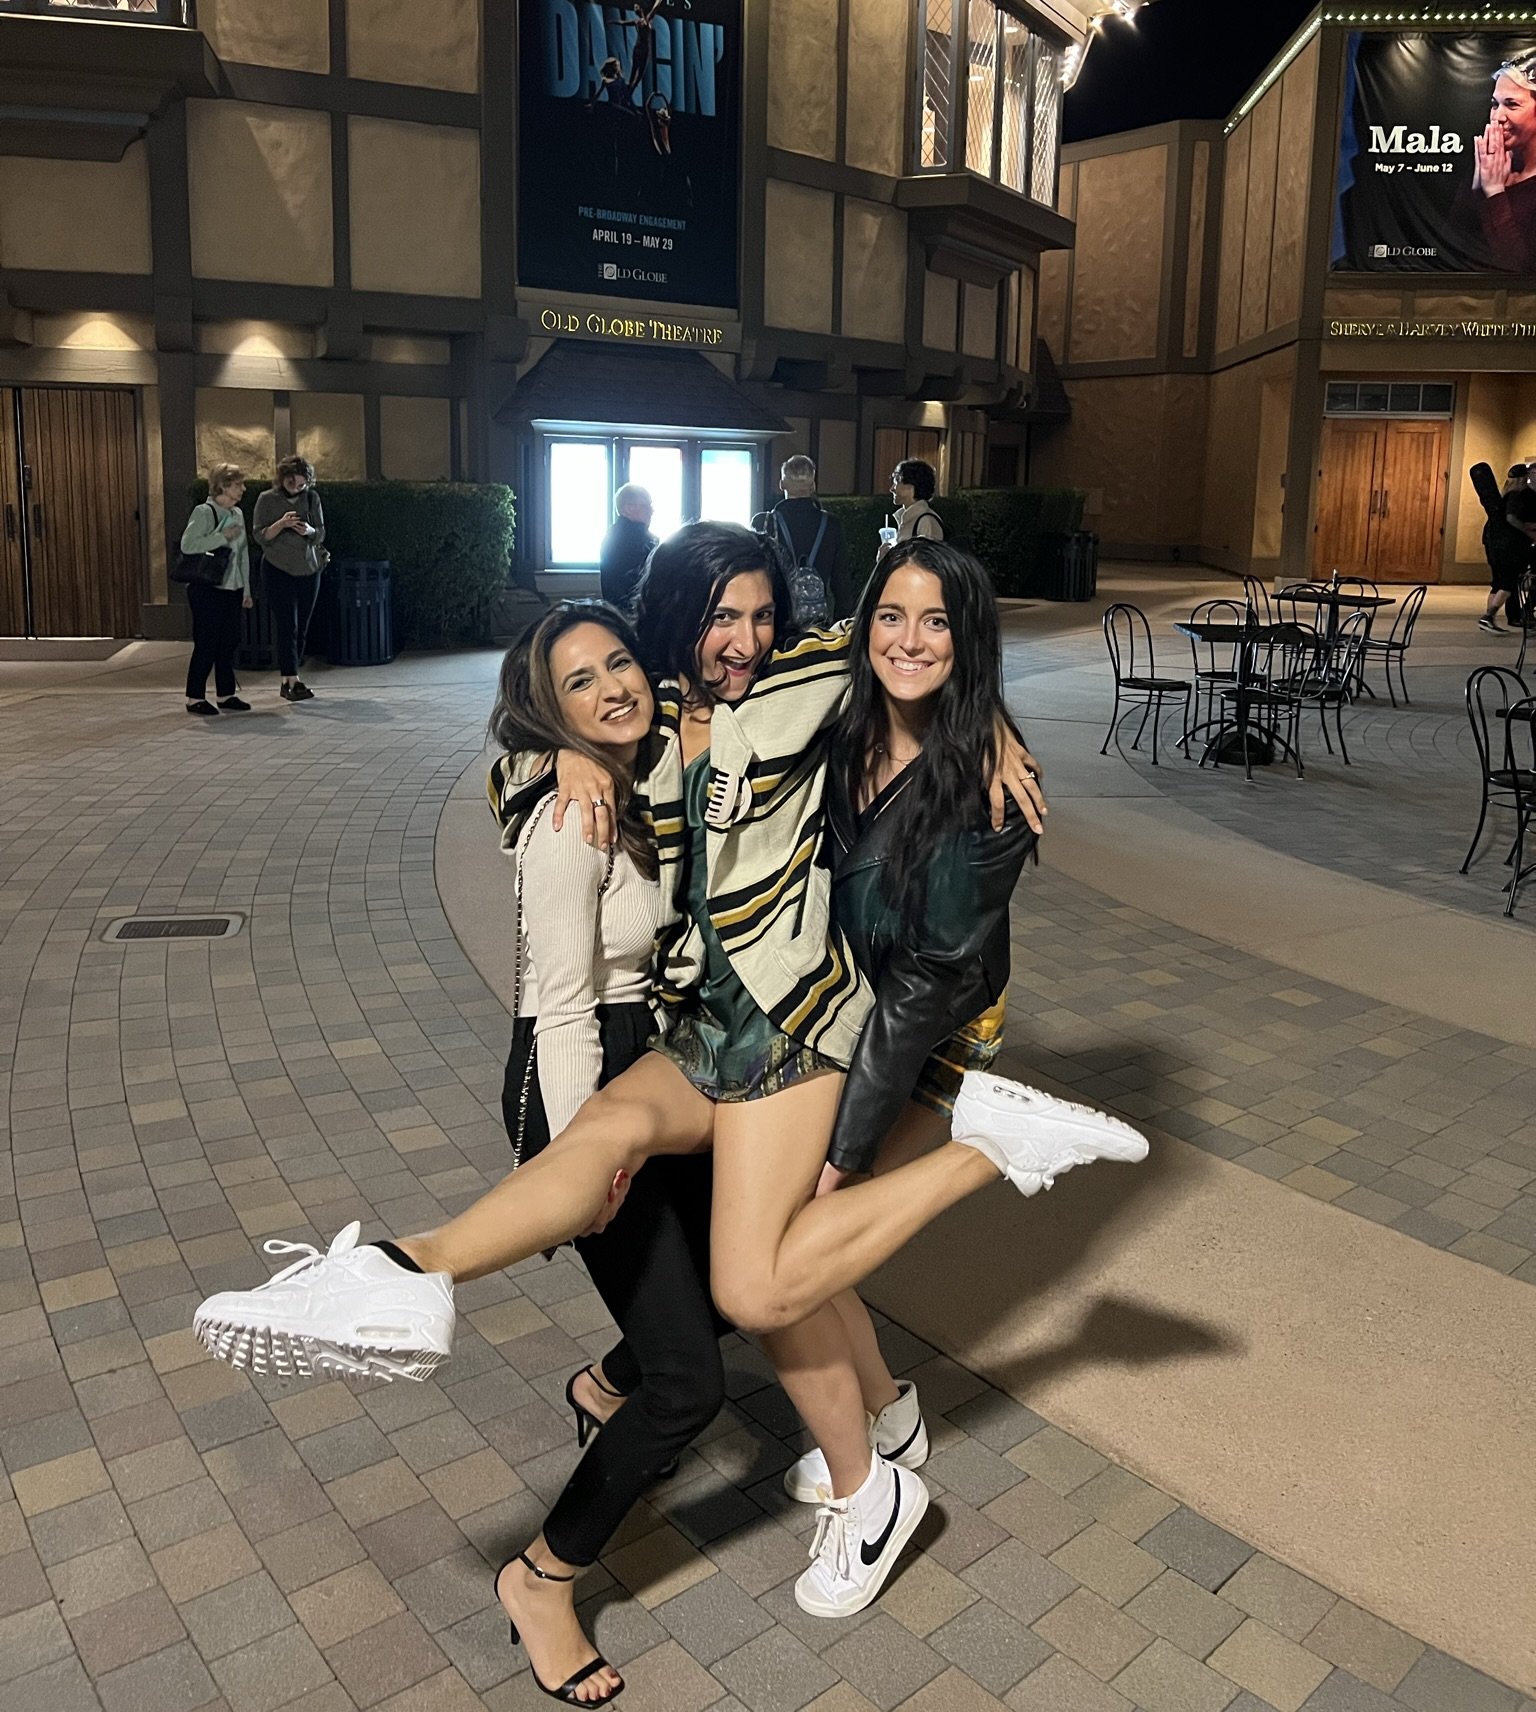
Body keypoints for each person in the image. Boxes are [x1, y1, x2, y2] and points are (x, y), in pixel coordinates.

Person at [193, 525, 1144, 1623]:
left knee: (760, 1283)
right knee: (609, 1133)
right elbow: (524, 762)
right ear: (673, 628)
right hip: (703, 1019)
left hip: (804, 1014)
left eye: (761, 615)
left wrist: (990, 728)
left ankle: (905, 1386)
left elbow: (916, 652)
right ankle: (398, 1273)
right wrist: (561, 756)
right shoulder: (644, 721)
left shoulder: (807, 686)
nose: (745, 639)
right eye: (718, 618)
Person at [484, 601, 720, 1705]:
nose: (611, 687)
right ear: (549, 708)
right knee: (690, 1382)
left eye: (618, 662)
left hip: (654, 1067)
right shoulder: (566, 819)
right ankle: (542, 1576)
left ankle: (603, 1377)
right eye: (578, 682)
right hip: (580, 1077)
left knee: (740, 1276)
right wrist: (591, 1160)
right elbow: (565, 1009)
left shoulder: (639, 765)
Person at [253, 456, 326, 701]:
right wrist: (281, 524)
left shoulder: (312, 498)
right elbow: (260, 536)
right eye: (292, 482)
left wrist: (308, 530)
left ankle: (291, 677)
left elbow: (320, 534)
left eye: (301, 484)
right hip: (277, 568)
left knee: (302, 626)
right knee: (287, 625)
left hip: (308, 569)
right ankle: (290, 678)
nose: (296, 488)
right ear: (283, 478)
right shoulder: (267, 499)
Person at [181, 465, 252, 715]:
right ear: (223, 485)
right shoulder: (204, 512)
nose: (243, 489)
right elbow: (188, 545)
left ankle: (226, 694)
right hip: (207, 588)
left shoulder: (237, 513)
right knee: (206, 643)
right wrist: (223, 536)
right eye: (238, 484)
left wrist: (246, 590)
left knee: (229, 641)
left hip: (232, 587)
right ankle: (195, 697)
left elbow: (243, 554)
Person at [755, 454, 852, 624]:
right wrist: (843, 623)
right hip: (818, 623)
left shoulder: (764, 522)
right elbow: (841, 582)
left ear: (782, 484)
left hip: (777, 621)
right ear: (813, 486)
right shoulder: (832, 524)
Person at [1467, 53, 1536, 273]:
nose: (1497, 117)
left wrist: (1495, 192)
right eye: (1494, 104)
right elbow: (1453, 248)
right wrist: (1478, 186)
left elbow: (1520, 268)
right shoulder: (1492, 168)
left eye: (1511, 104)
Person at [1476, 462, 1535, 635]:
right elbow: (1511, 518)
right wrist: (1527, 530)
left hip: (1494, 546)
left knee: (1497, 584)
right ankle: (1488, 617)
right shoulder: (1516, 496)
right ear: (1523, 479)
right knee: (1507, 584)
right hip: (1508, 548)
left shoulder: (1504, 496)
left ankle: (1489, 620)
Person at [598, 484, 657, 613]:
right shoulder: (635, 540)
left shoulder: (614, 536)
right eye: (646, 506)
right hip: (636, 612)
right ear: (628, 509)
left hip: (619, 612)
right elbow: (646, 582)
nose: (652, 511)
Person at [879, 458, 944, 560]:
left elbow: (927, 564)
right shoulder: (908, 518)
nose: (892, 489)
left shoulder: (925, 521)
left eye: (897, 482)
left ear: (911, 486)